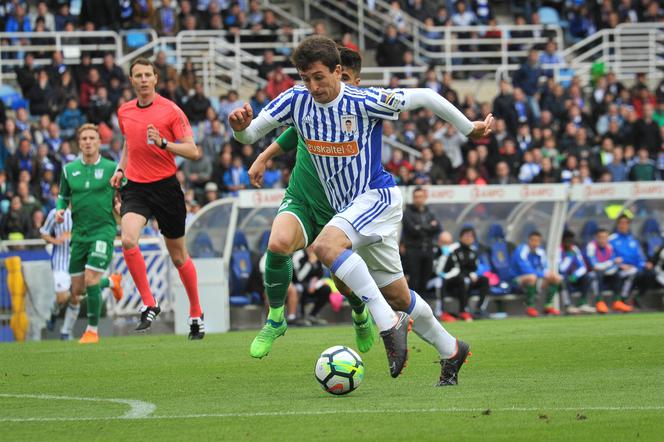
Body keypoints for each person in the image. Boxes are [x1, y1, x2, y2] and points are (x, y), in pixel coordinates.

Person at [231, 37, 492, 383]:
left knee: (325, 246)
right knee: (398, 294)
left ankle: (386, 324)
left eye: (320, 77)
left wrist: (468, 128)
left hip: (376, 198)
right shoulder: (296, 101)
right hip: (352, 212)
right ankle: (451, 349)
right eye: (306, 78)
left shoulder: (365, 101)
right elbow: (250, 136)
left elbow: (427, 96)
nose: (313, 86)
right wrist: (238, 128)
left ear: (339, 71)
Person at [110, 58, 204, 339]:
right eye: (137, 75)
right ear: (131, 80)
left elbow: (193, 151)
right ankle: (149, 302)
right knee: (128, 239)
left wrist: (164, 143)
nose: (142, 79)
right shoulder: (124, 111)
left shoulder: (171, 111)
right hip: (136, 187)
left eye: (147, 75)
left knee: (178, 256)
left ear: (155, 79)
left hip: (166, 188)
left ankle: (196, 312)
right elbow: (129, 143)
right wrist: (119, 168)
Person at [55, 124, 123, 344]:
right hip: (79, 234)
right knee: (77, 289)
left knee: (92, 277)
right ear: (79, 142)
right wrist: (60, 209)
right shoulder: (69, 169)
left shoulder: (112, 167)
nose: (87, 141)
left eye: (92, 137)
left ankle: (92, 330)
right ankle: (112, 282)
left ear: (99, 141)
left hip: (103, 230)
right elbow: (63, 196)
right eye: (83, 138)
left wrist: (122, 206)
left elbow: (126, 190)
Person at [439, 227, 489, 321]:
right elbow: (453, 268)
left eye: (471, 236)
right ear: (461, 237)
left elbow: (474, 268)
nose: (469, 238)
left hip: (467, 278)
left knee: (484, 280)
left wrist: (473, 275)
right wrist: (469, 275)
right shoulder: (454, 249)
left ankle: (478, 309)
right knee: (463, 279)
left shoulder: (473, 250)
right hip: (453, 280)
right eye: (466, 236)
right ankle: (463, 311)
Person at [510, 231, 562, 317]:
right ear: (528, 240)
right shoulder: (521, 250)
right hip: (516, 280)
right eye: (533, 240)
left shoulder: (541, 252)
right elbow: (526, 270)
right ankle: (530, 307)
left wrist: (547, 274)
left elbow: (545, 268)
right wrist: (543, 274)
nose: (535, 243)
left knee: (556, 277)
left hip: (535, 278)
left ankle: (548, 306)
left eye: (537, 241)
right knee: (532, 277)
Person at [402, 187, 441, 296]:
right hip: (413, 250)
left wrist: (420, 227)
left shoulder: (430, 212)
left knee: (425, 278)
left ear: (425, 198)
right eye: (416, 197)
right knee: (414, 279)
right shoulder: (407, 213)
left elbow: (437, 228)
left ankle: (422, 306)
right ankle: (412, 307)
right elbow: (412, 230)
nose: (418, 199)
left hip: (428, 250)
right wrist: (429, 227)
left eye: (421, 197)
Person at [586, 228, 630, 313]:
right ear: (596, 238)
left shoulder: (609, 247)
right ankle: (599, 302)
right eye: (600, 237)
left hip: (606, 272)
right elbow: (595, 266)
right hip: (591, 273)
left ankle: (617, 301)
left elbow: (613, 262)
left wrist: (620, 265)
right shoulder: (591, 247)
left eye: (605, 237)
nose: (603, 240)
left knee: (618, 274)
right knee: (597, 274)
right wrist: (612, 262)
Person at [609, 215, 648, 309]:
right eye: (621, 223)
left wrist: (644, 264)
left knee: (650, 273)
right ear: (617, 224)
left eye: (626, 223)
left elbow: (640, 257)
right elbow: (609, 256)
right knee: (634, 273)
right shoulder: (612, 239)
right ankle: (623, 298)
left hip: (635, 267)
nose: (623, 225)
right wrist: (621, 265)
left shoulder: (633, 239)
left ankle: (636, 297)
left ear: (629, 225)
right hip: (619, 268)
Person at [558, 230, 596, 315]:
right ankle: (568, 305)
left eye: (571, 241)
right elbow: (561, 269)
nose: (569, 243)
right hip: (563, 276)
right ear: (562, 241)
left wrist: (575, 275)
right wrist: (569, 257)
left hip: (573, 275)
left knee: (587, 277)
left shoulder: (575, 249)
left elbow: (583, 266)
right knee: (563, 280)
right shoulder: (558, 250)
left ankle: (583, 303)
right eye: (567, 241)